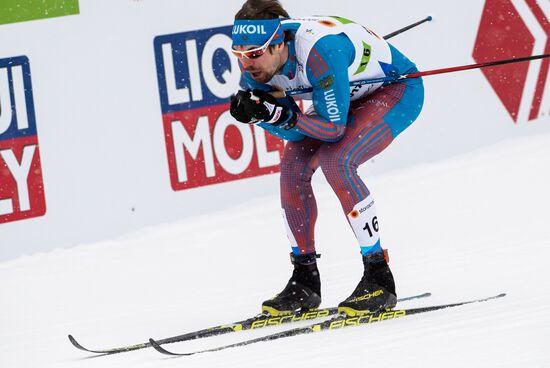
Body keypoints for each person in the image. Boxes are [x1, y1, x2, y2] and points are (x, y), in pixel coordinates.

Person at [229, 0, 424, 316]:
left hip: (392, 91)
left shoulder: (322, 50)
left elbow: (332, 130)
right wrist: (264, 116)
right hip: (340, 99)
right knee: (292, 168)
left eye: (253, 54)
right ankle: (305, 279)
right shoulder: (258, 69)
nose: (246, 65)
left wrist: (279, 115)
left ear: (278, 44)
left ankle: (379, 276)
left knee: (337, 160)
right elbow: (295, 133)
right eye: (239, 55)